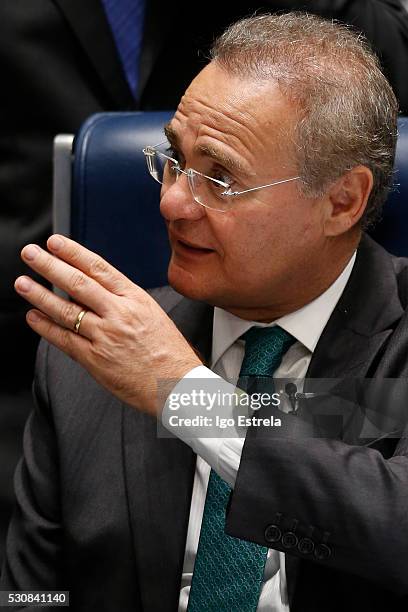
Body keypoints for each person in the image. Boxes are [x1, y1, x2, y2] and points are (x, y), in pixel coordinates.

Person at [3, 11, 408, 612]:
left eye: (221, 179)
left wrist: (186, 394)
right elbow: (37, 596)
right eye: (174, 158)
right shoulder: (87, 362)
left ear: (342, 202)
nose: (171, 203)